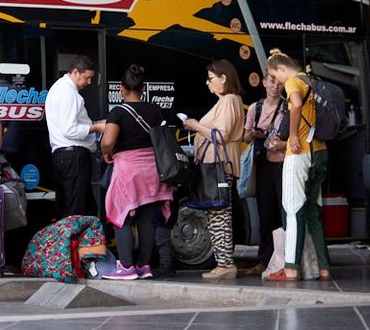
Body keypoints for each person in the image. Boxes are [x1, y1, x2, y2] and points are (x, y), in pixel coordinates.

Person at [100, 65, 173, 280]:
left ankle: (126, 266)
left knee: (121, 217)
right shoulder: (153, 110)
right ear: (143, 88)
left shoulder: (118, 112)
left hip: (128, 171)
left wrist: (106, 153)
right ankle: (144, 266)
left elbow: (108, 141)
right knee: (146, 219)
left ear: (122, 89)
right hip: (152, 170)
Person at [264, 49, 331, 282]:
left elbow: (295, 104)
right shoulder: (311, 80)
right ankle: (323, 267)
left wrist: (292, 135)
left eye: (276, 76)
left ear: (282, 70)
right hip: (320, 152)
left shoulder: (293, 81)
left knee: (292, 210)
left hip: (300, 152)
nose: (277, 82)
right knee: (313, 211)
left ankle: (291, 268)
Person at [184, 59, 245, 279]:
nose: (207, 83)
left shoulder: (229, 100)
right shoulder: (228, 101)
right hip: (218, 165)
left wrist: (195, 126)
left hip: (219, 166)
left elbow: (221, 135)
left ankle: (226, 264)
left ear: (224, 78)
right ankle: (223, 263)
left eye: (211, 78)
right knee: (217, 214)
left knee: (219, 216)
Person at [45, 56, 105, 218]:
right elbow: (70, 129)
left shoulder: (58, 88)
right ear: (76, 72)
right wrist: (97, 127)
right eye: (87, 77)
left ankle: (79, 242)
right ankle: (77, 243)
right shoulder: (68, 93)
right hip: (74, 157)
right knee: (77, 211)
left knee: (79, 208)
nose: (90, 82)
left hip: (64, 156)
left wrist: (94, 124)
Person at [242, 72, 286, 275]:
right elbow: (246, 135)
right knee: (265, 213)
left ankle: (285, 259)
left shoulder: (287, 107)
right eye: (271, 81)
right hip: (262, 164)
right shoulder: (255, 108)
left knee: (283, 212)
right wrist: (253, 134)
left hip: (284, 164)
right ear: (264, 82)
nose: (275, 86)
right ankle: (264, 259)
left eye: (278, 82)